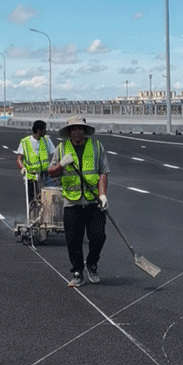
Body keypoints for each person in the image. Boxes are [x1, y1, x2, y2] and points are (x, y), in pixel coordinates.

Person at [48, 115, 110, 287]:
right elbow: (51, 172)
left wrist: (103, 195)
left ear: (84, 130)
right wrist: (61, 164)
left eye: (80, 129)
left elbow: (103, 172)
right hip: (72, 203)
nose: (77, 132)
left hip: (93, 202)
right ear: (69, 132)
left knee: (99, 236)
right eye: (74, 129)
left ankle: (91, 263)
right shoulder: (61, 149)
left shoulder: (97, 147)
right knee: (73, 240)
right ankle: (77, 272)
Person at [15, 120, 56, 204]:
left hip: (45, 175)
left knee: (46, 198)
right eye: (44, 129)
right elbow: (19, 158)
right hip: (31, 175)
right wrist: (22, 168)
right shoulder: (25, 142)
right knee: (32, 200)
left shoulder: (47, 140)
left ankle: (43, 215)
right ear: (38, 130)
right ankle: (32, 214)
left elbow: (54, 155)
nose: (46, 131)